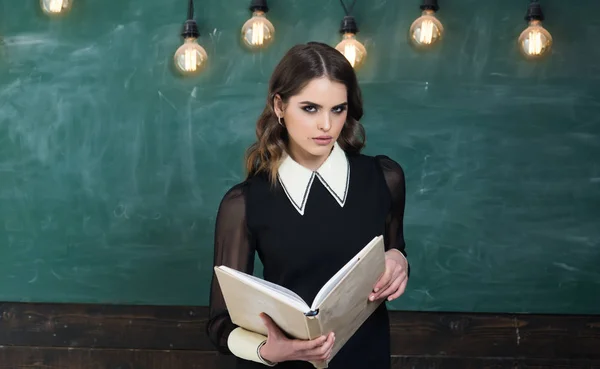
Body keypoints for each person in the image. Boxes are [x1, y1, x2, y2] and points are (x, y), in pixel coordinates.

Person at [206, 41, 410, 369]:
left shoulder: (385, 178)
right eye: (310, 108)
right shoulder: (243, 203)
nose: (326, 126)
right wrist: (266, 352)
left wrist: (399, 261)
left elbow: (395, 250)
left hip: (365, 359)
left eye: (338, 109)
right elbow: (219, 323)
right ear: (279, 106)